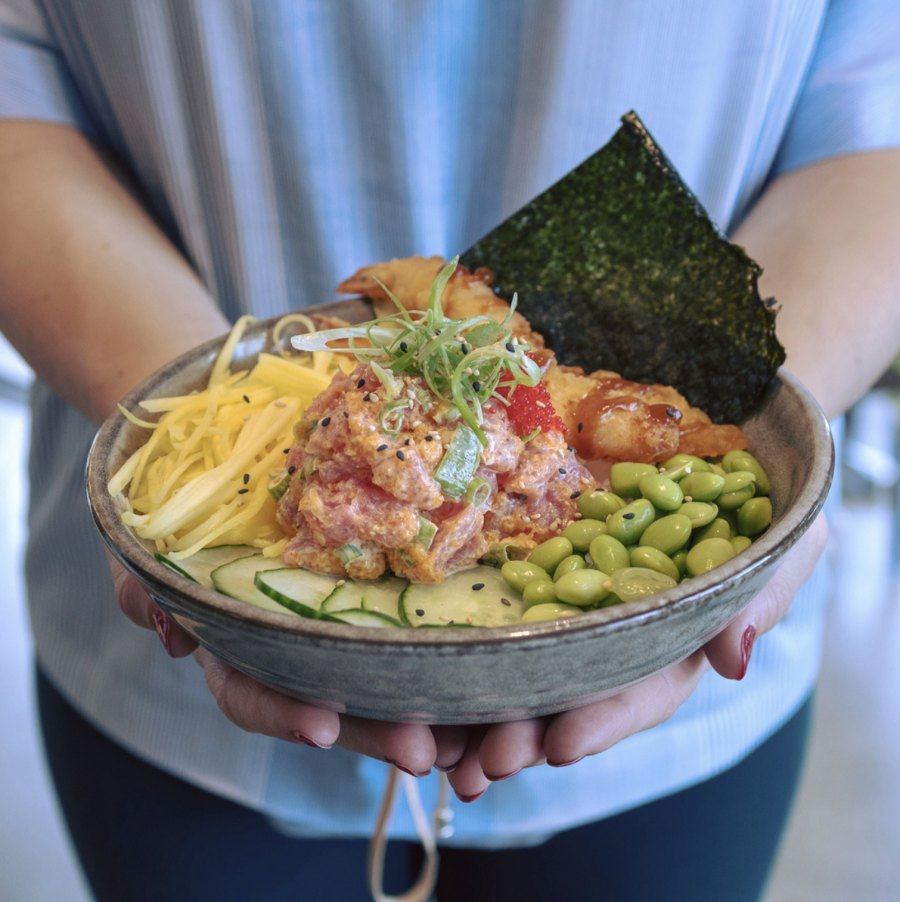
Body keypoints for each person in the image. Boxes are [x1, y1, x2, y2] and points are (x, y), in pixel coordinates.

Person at [1, 2, 898, 900]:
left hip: (679, 704)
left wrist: (780, 457)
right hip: (174, 705)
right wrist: (185, 451)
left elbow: (874, 116)